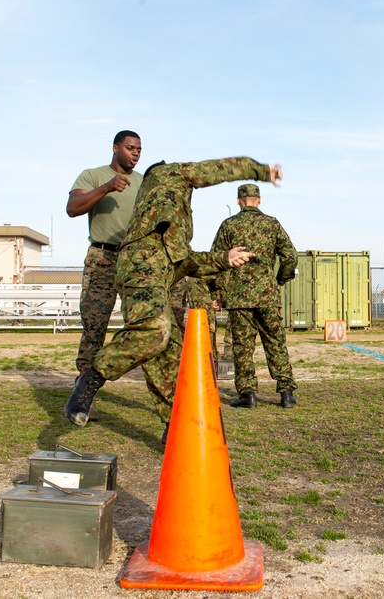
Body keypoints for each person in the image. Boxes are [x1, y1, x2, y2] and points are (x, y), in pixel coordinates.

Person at [65, 158, 285, 437]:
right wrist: (261, 171)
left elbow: (186, 262)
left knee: (168, 347)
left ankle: (174, 426)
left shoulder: (170, 228)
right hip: (141, 266)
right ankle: (90, 379)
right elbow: (218, 169)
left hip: (159, 271)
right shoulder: (170, 175)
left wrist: (225, 259)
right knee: (155, 329)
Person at [66, 130, 143, 420]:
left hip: (135, 261)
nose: (135, 153)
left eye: (139, 149)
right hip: (103, 259)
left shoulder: (144, 183)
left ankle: (164, 397)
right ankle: (85, 395)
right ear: (115, 148)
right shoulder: (93, 176)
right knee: (94, 329)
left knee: (144, 327)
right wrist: (107, 188)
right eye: (130, 148)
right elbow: (73, 208)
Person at [211, 183, 299, 409]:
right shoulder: (272, 224)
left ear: (239, 200)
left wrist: (219, 291)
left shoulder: (228, 225)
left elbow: (217, 260)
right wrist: (278, 280)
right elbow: (290, 256)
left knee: (243, 345)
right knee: (275, 341)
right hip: (267, 295)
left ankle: (248, 394)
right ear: (259, 200)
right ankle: (286, 392)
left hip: (239, 296)